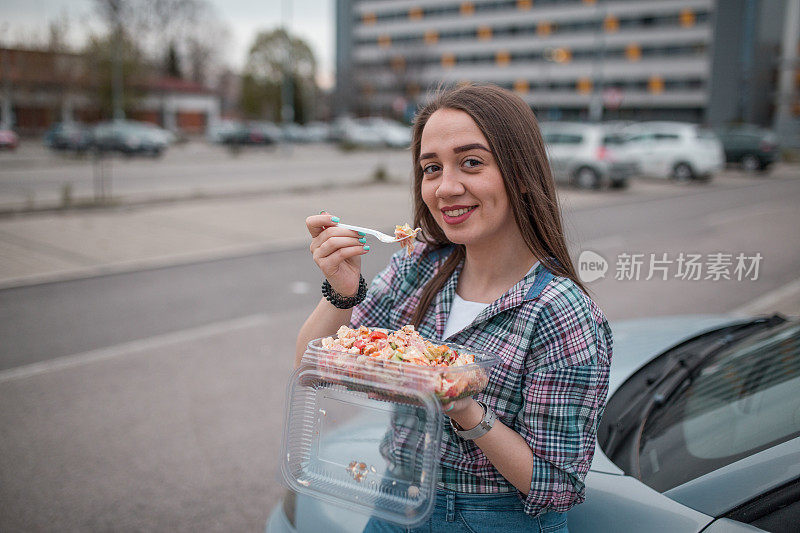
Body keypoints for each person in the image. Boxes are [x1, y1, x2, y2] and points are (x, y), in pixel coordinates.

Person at [297, 84, 612, 533]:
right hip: (397, 500)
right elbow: (311, 367)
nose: (445, 188)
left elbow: (558, 486)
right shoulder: (419, 263)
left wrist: (464, 408)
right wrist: (342, 290)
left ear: (520, 174)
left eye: (471, 162)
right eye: (431, 168)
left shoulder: (561, 311)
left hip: (494, 519)